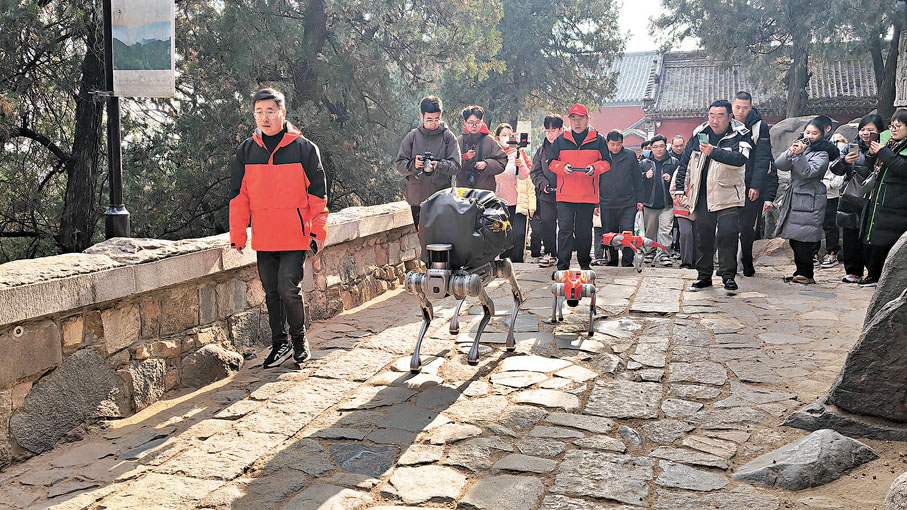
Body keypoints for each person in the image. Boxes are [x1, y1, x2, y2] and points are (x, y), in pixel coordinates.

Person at [229, 88, 328, 368]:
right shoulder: (246, 150)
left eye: (270, 111)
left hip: (295, 236)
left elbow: (318, 197)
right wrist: (238, 233)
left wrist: (317, 233)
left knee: (288, 289)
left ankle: (298, 341)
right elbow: (239, 196)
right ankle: (279, 344)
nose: (264, 117)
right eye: (259, 112)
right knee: (271, 292)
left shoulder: (305, 148)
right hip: (264, 236)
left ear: (282, 113)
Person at [672, 100, 751, 291]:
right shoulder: (700, 133)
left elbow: (740, 159)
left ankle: (728, 275)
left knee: (727, 235)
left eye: (720, 116)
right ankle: (704, 275)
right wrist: (681, 188)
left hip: (728, 193)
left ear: (730, 117)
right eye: (711, 115)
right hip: (702, 194)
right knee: (703, 237)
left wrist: (714, 152)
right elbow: (685, 162)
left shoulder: (741, 134)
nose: (714, 120)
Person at [774, 117, 838, 284]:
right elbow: (779, 164)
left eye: (814, 133)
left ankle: (807, 274)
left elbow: (808, 172)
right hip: (795, 196)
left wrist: (799, 155)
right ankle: (800, 272)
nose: (809, 136)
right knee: (795, 239)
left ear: (823, 134)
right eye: (807, 132)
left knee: (804, 238)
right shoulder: (801, 147)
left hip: (810, 198)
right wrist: (791, 152)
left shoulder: (822, 153)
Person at [548, 103, 611, 270]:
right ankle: (562, 266)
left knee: (584, 232)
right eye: (573, 119)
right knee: (564, 231)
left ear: (587, 119)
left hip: (587, 194)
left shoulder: (598, 140)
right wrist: (562, 168)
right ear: (569, 120)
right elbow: (551, 163)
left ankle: (584, 264)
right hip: (565, 195)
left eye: (580, 119)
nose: (577, 122)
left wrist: (595, 168)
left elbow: (607, 163)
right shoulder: (561, 140)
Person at [828, 114, 884, 283]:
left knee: (870, 237)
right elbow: (836, 169)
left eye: (870, 130)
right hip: (851, 197)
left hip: (873, 197)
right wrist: (844, 161)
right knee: (850, 236)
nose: (865, 133)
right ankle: (853, 271)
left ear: (879, 132)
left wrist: (876, 153)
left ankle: (873, 273)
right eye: (862, 129)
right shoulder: (851, 147)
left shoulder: (884, 148)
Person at [395, 96, 461, 228]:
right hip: (417, 198)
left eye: (437, 119)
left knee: (440, 240)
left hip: (441, 198)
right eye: (429, 120)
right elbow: (399, 164)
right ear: (421, 116)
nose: (433, 123)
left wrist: (439, 165)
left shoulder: (448, 137)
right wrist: (413, 164)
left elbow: (456, 166)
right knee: (422, 239)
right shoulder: (412, 136)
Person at [861, 109, 907, 286]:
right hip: (877, 199)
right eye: (892, 126)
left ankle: (880, 278)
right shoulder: (888, 142)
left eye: (899, 126)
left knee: (887, 242)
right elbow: (870, 169)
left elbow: (902, 167)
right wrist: (871, 155)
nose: (894, 129)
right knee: (870, 238)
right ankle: (872, 275)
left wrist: (883, 152)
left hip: (897, 203)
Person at [730, 91, 772, 277]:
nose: (741, 111)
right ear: (732, 106)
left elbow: (763, 158)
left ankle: (746, 261)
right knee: (729, 225)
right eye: (737, 107)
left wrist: (756, 185)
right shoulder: (727, 123)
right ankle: (729, 263)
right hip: (729, 184)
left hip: (750, 185)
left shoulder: (759, 126)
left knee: (747, 227)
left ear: (751, 107)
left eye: (745, 108)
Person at [594, 130, 644, 266]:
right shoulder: (601, 157)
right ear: (607, 143)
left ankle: (628, 262)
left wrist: (640, 200)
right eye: (612, 144)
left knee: (627, 232)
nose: (615, 147)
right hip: (606, 202)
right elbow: (595, 181)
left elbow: (637, 178)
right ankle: (612, 261)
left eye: (618, 144)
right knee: (609, 233)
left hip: (628, 202)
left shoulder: (630, 156)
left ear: (622, 143)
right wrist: (595, 203)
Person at [493, 123, 531, 261]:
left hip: (513, 201)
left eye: (509, 135)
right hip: (495, 201)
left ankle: (513, 261)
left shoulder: (517, 154)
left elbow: (524, 175)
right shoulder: (492, 154)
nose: (507, 138)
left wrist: (520, 165)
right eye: (504, 135)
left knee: (514, 233)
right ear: (497, 138)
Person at [640, 134, 679, 266]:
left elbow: (680, 179)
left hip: (667, 204)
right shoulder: (644, 163)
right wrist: (645, 175)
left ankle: (664, 254)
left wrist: (671, 178)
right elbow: (636, 180)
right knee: (650, 231)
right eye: (655, 147)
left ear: (666, 146)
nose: (659, 150)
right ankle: (650, 252)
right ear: (651, 148)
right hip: (649, 204)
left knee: (665, 231)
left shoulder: (674, 162)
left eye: (661, 146)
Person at [530, 114, 563, 267]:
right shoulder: (541, 150)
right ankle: (550, 253)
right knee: (548, 224)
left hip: (566, 194)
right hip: (547, 194)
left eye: (553, 130)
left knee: (565, 226)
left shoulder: (567, 146)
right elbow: (535, 172)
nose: (550, 134)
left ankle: (564, 255)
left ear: (560, 130)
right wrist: (544, 185)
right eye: (547, 131)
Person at [456, 105, 507, 191]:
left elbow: (502, 161)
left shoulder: (489, 141)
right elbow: (452, 165)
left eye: (478, 122)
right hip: (462, 191)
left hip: (485, 191)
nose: (474, 126)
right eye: (471, 122)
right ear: (464, 122)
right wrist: (466, 158)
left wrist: (486, 164)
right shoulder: (458, 141)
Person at [817, 134, 848, 269]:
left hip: (831, 197)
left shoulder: (839, 161)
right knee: (815, 225)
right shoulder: (819, 159)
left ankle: (832, 253)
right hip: (817, 196)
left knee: (830, 225)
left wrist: (826, 186)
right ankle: (813, 253)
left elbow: (838, 180)